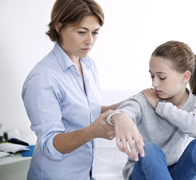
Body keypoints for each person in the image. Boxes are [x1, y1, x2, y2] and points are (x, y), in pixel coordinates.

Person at [21, 0, 144, 179]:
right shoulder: (42, 79)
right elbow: (50, 145)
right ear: (58, 27)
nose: (90, 41)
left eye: (95, 33)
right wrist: (92, 131)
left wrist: (123, 106)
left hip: (86, 174)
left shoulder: (88, 65)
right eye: (81, 32)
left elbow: (87, 111)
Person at [107, 41, 196, 180]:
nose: (154, 83)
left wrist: (160, 105)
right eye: (152, 76)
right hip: (143, 174)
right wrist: (119, 117)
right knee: (150, 149)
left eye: (162, 77)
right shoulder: (144, 98)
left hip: (175, 173)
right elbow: (121, 112)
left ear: (185, 77)